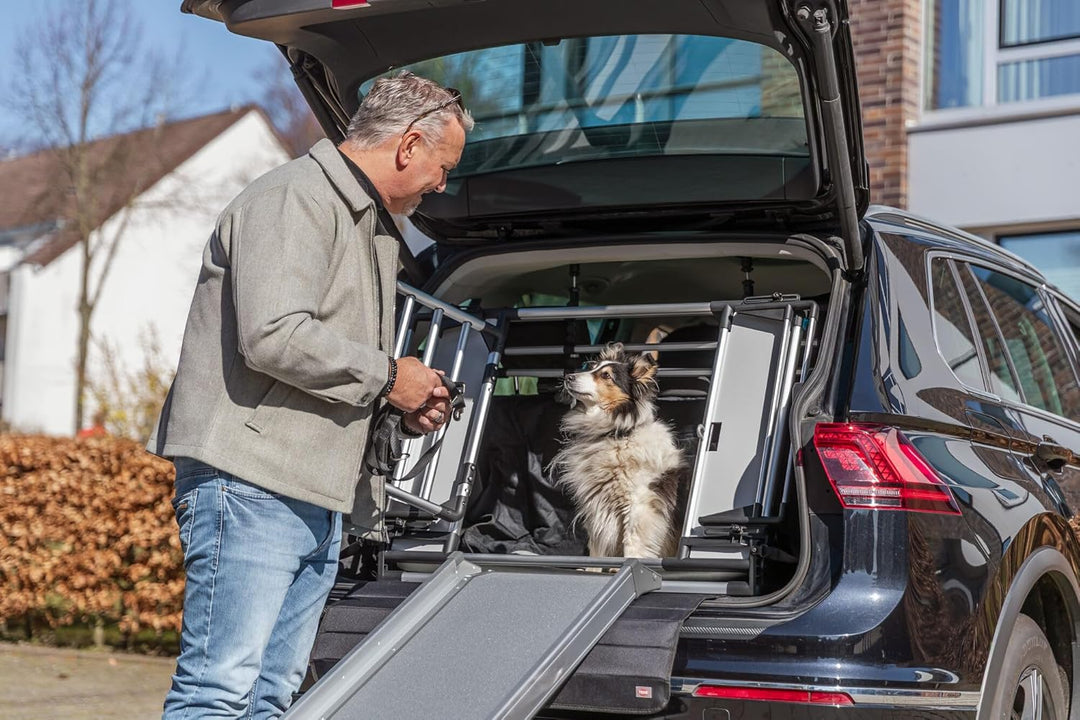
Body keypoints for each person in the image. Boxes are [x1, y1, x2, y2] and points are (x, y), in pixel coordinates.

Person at [147, 72, 473, 719]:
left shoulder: (369, 227)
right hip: (251, 486)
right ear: (409, 145)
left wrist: (401, 410)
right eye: (443, 166)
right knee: (219, 694)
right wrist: (388, 375)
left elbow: (326, 368)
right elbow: (273, 336)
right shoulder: (296, 198)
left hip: (316, 495)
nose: (443, 184)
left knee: (272, 700)